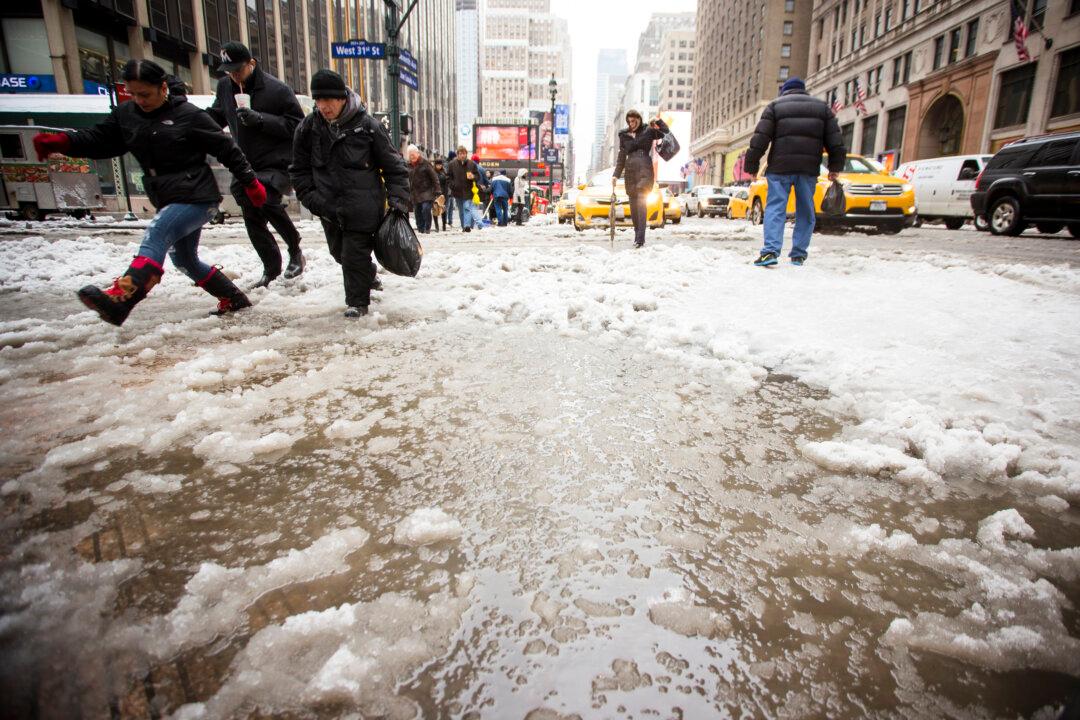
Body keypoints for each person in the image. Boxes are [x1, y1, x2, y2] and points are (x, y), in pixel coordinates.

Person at [32, 59, 265, 326]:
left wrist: (250, 183)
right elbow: (100, 140)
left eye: (145, 94)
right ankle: (234, 298)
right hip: (167, 196)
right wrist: (64, 142)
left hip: (197, 195)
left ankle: (123, 299)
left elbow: (227, 149)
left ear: (162, 88)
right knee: (185, 259)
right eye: (133, 94)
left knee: (157, 235)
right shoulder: (127, 115)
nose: (140, 100)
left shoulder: (188, 115)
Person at [289, 69, 410, 318]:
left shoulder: (368, 127)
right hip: (328, 208)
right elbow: (299, 171)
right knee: (339, 254)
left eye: (329, 100)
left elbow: (394, 167)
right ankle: (368, 274)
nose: (324, 106)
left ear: (342, 97)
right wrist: (313, 199)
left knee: (353, 253)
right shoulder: (308, 129)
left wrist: (398, 202)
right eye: (319, 100)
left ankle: (357, 303)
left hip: (363, 207)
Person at [207, 41, 305, 288]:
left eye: (238, 69)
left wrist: (261, 119)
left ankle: (295, 248)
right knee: (251, 216)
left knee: (268, 202)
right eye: (229, 70)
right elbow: (217, 117)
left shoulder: (277, 90)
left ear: (251, 64)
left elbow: (297, 126)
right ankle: (271, 269)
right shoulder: (224, 87)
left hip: (275, 161)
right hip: (243, 162)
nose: (234, 75)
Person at [744, 77, 846, 267]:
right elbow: (835, 142)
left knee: (776, 208)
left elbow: (760, 139)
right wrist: (834, 167)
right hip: (808, 169)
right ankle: (798, 254)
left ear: (785, 92)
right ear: (803, 91)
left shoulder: (775, 106)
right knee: (806, 210)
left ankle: (770, 252)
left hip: (779, 167)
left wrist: (751, 165)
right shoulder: (822, 109)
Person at [613, 109, 668, 248]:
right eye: (629, 121)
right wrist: (615, 175)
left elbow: (665, 132)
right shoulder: (623, 135)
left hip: (645, 170)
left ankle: (640, 239)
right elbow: (621, 157)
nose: (632, 124)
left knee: (641, 204)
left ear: (639, 119)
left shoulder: (648, 130)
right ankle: (637, 235)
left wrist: (658, 121)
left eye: (634, 121)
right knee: (633, 208)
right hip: (630, 172)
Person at [448, 146, 486, 233]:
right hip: (457, 191)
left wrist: (473, 176)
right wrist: (452, 185)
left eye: (464, 153)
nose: (462, 155)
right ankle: (463, 226)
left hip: (468, 190)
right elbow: (448, 177)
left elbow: (478, 176)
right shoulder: (452, 164)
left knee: (466, 207)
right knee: (461, 210)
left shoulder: (471, 164)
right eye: (460, 154)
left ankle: (467, 226)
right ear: (457, 154)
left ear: (466, 154)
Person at [406, 144, 440, 234]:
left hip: (427, 191)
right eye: (410, 155)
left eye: (413, 154)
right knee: (417, 212)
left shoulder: (425, 163)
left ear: (418, 153)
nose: (411, 156)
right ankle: (420, 228)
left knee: (425, 208)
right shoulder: (407, 165)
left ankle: (427, 227)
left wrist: (437, 190)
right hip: (415, 192)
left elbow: (434, 177)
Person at [433, 157, 450, 231]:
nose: (439, 166)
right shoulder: (433, 172)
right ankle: (436, 226)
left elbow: (447, 182)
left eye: (440, 165)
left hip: (443, 193)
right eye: (437, 165)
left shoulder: (444, 172)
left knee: (443, 209)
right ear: (435, 165)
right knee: (435, 209)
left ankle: (444, 225)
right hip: (435, 193)